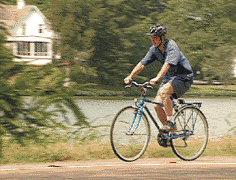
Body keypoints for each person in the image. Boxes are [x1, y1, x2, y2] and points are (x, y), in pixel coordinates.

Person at [124, 24, 194, 133]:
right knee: (157, 105)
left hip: (183, 77)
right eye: (152, 38)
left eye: (155, 38)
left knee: (164, 91)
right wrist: (130, 76)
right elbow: (142, 64)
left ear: (162, 38)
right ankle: (170, 133)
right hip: (169, 78)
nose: (153, 40)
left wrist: (157, 78)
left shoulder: (172, 46)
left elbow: (167, 64)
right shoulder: (154, 50)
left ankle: (170, 122)